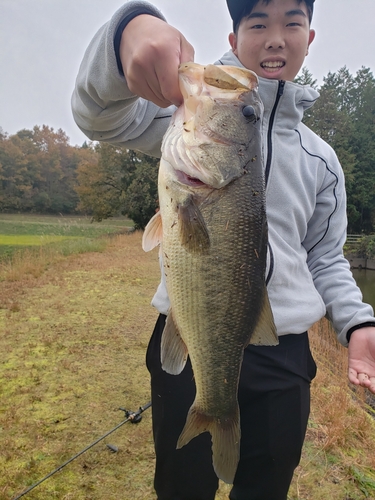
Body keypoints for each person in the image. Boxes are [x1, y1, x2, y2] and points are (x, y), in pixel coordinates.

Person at [72, 1, 375, 498]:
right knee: (181, 487)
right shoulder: (183, 123)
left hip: (285, 355)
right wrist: (126, 30)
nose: (275, 38)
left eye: (291, 23)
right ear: (233, 41)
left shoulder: (323, 161)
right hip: (193, 337)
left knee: (266, 486)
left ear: (310, 37)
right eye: (258, 23)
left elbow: (325, 257)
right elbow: (97, 115)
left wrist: (357, 322)